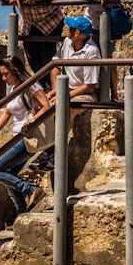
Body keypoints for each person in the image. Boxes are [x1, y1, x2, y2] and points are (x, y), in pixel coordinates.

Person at [33, 17, 100, 172]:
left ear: (77, 32)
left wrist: (64, 96)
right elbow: (55, 66)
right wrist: (56, 89)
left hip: (84, 93)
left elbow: (89, 87)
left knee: (67, 109)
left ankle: (55, 153)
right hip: (67, 90)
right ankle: (47, 149)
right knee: (46, 106)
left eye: (70, 27)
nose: (66, 28)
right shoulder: (67, 43)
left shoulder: (91, 51)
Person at [0, 56, 50, 214]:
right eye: (2, 74)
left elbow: (46, 106)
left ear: (16, 71)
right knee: (9, 175)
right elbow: (6, 113)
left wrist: (31, 122)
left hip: (27, 137)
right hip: (16, 137)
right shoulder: (13, 88)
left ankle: (31, 190)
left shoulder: (31, 85)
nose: (4, 78)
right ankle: (22, 211)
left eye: (6, 74)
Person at [0, 0, 68, 90]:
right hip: (29, 23)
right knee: (32, 58)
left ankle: (50, 87)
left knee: (47, 56)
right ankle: (42, 86)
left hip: (50, 21)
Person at [68, 0, 121, 100]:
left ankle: (114, 95)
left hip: (108, 20)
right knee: (88, 54)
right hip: (90, 19)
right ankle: (92, 90)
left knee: (108, 57)